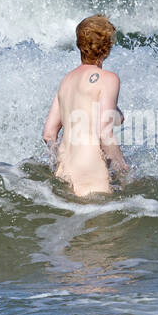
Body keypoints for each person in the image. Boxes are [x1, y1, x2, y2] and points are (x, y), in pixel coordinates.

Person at [42, 14, 128, 196]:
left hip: (63, 171)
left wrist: (60, 159)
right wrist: (123, 170)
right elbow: (104, 132)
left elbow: (49, 133)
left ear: (79, 45)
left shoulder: (67, 81)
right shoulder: (108, 79)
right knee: (106, 223)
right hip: (90, 169)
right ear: (107, 47)